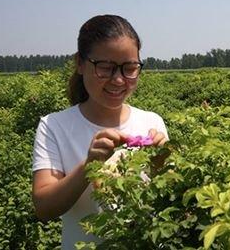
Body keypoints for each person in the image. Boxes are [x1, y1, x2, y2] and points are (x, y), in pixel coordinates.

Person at [32, 14, 168, 249]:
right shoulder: (54, 126)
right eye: (105, 68)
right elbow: (44, 207)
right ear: (80, 63)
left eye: (130, 68)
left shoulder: (152, 122)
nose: (118, 80)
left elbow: (169, 202)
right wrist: (90, 165)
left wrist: (161, 166)